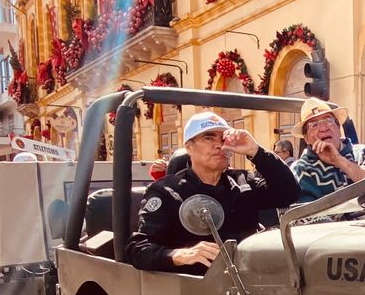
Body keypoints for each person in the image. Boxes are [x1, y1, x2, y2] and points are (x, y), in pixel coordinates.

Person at [127, 111, 300, 273]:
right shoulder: (168, 191)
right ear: (189, 147)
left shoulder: (243, 182)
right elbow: (139, 249)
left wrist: (255, 151)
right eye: (208, 138)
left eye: (223, 138)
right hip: (197, 287)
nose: (219, 145)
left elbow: (289, 193)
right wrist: (179, 255)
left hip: (253, 278)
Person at [291, 97, 365, 202]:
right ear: (306, 139)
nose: (324, 128)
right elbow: (307, 216)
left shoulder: (363, 153)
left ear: (339, 128)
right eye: (314, 125)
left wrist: (339, 160)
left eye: (328, 120)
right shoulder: (301, 169)